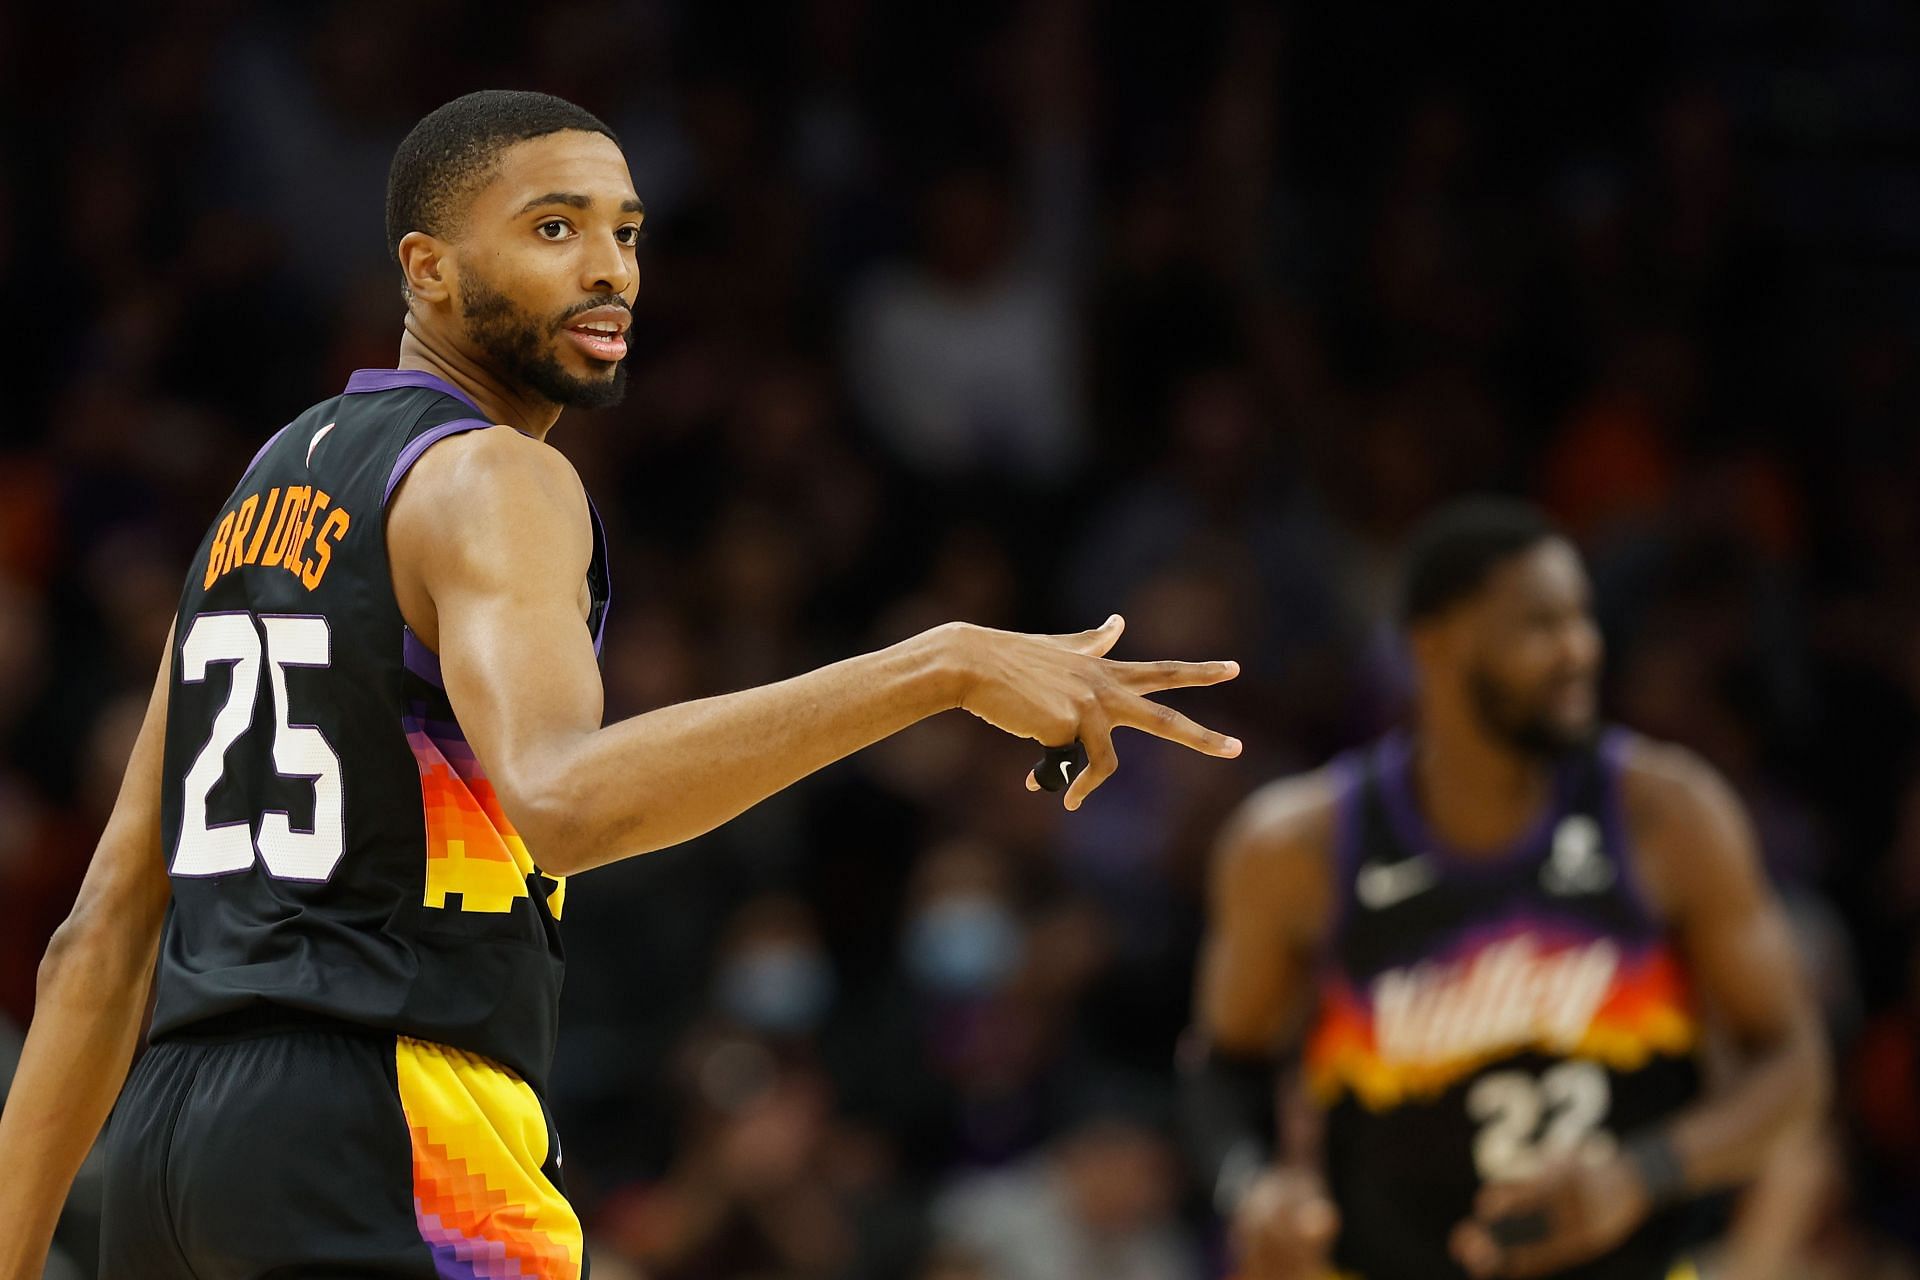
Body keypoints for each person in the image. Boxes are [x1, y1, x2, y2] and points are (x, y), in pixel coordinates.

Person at [0, 90, 1243, 1280]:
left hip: (173, 1151)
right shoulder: (493, 475)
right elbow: (566, 800)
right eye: (555, 227)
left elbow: (98, 937)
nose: (611, 268)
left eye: (625, 231)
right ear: (426, 268)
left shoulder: (253, 497)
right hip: (389, 1121)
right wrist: (943, 663)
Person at [1181, 497, 1828, 1280]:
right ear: (1435, 644)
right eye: (1540, 625)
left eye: (1582, 620)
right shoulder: (1297, 845)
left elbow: (1795, 1065)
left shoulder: (1669, 813)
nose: (1580, 651)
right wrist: (1252, 1191)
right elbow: (1221, 1071)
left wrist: (1639, 1174)